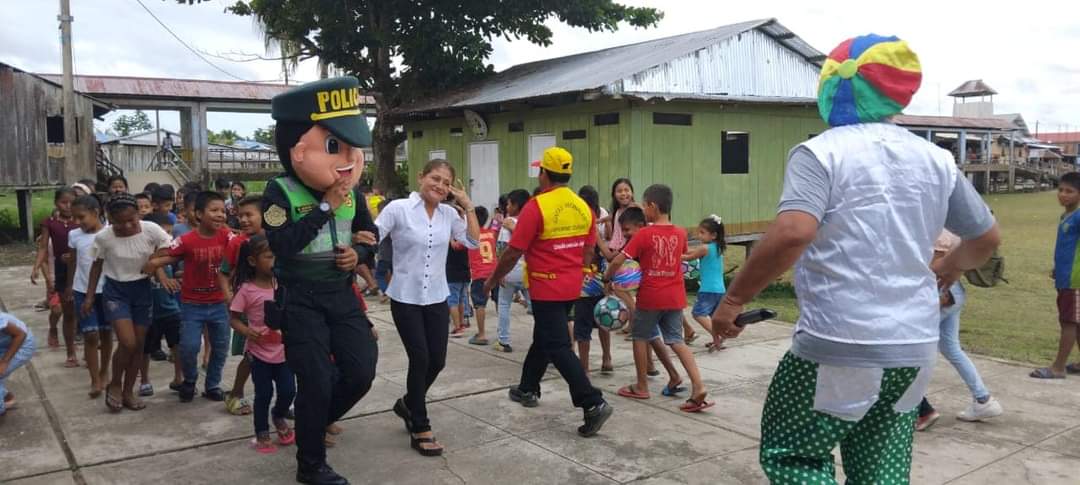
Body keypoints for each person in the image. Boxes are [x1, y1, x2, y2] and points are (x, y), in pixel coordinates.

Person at [709, 34, 1000, 483]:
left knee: (794, 456)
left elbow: (793, 232)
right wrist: (947, 269)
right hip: (911, 349)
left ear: (828, 90)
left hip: (837, 342)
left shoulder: (820, 153)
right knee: (880, 467)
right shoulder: (936, 160)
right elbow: (985, 237)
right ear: (897, 90)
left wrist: (731, 303)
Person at [263, 76, 380, 484]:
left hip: (341, 293)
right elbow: (282, 245)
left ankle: (311, 421)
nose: (347, 159)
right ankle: (310, 466)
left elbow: (370, 236)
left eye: (352, 149)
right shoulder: (279, 192)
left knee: (361, 372)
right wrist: (325, 208)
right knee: (312, 380)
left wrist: (359, 255)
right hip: (300, 299)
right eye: (334, 147)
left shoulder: (355, 195)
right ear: (298, 150)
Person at [483, 147, 613, 437]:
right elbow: (589, 250)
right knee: (543, 337)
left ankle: (592, 402)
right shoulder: (583, 207)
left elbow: (513, 252)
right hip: (571, 285)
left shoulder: (536, 207)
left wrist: (493, 279)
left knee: (556, 345)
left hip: (545, 286)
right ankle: (528, 388)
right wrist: (575, 269)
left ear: (544, 173)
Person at [377, 159, 480, 457]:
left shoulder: (449, 214)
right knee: (420, 358)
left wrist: (467, 204)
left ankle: (408, 403)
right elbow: (373, 234)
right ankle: (419, 424)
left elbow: (473, 241)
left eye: (446, 182)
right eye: (435, 178)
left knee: (437, 361)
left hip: (436, 297)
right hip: (405, 297)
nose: (440, 186)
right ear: (421, 177)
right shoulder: (398, 208)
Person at [608, 185, 708, 411]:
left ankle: (641, 385)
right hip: (674, 296)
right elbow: (679, 256)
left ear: (652, 206)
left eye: (644, 205)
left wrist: (607, 277)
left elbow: (617, 261)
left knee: (639, 337)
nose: (643, 209)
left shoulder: (644, 234)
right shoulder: (680, 232)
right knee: (676, 340)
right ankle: (698, 385)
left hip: (651, 296)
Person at [83, 193, 173, 412]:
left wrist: (156, 265)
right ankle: (114, 383)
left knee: (139, 346)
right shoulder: (104, 237)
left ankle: (128, 391)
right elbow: (96, 265)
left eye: (131, 219)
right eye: (119, 222)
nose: (126, 225)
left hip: (142, 290)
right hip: (116, 292)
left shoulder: (151, 229)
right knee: (128, 342)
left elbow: (169, 251)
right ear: (109, 219)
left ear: (138, 215)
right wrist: (89, 296)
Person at [143, 191, 235, 403]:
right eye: (214, 210)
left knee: (220, 347)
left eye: (223, 211)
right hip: (192, 305)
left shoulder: (227, 237)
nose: (220, 215)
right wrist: (154, 264)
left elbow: (243, 247)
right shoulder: (186, 240)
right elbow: (165, 253)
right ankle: (190, 381)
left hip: (219, 304)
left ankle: (212, 385)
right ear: (199, 214)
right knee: (189, 346)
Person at [917, 230, 1004, 430]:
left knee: (910, 349)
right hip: (954, 292)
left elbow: (935, 270)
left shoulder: (939, 230)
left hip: (941, 292)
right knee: (951, 348)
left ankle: (921, 409)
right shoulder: (953, 228)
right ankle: (983, 400)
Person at [229, 235, 297, 454]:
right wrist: (248, 331)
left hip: (284, 352)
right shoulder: (247, 290)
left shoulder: (284, 284)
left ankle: (278, 415)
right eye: (269, 256)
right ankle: (262, 432)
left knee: (288, 391)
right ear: (252, 261)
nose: (274, 261)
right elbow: (233, 318)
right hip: (259, 354)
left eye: (277, 255)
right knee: (263, 394)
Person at [220, 195, 265, 416]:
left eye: (250, 215)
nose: (244, 220)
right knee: (251, 354)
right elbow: (224, 273)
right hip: (249, 307)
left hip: (273, 305)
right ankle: (236, 392)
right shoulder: (237, 243)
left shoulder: (276, 239)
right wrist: (229, 297)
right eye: (240, 216)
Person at [1033, 171, 1080, 379]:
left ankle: (1058, 367)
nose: (1063, 194)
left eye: (1069, 191)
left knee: (1068, 322)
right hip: (1064, 275)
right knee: (1076, 321)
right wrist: (1057, 267)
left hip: (1074, 279)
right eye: (1060, 190)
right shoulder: (1066, 215)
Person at [65, 195, 112, 398]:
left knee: (106, 333)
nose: (77, 222)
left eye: (81, 217)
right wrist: (69, 286)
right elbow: (73, 262)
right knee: (90, 335)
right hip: (82, 290)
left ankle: (104, 372)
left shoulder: (111, 232)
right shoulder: (75, 235)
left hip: (108, 291)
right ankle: (94, 379)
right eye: (74, 218)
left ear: (95, 213)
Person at [32, 187, 79, 367]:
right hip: (61, 270)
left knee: (80, 311)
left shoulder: (83, 220)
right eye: (63, 202)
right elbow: (43, 247)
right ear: (56, 203)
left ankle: (86, 346)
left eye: (72, 202)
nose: (68, 206)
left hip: (81, 268)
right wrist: (36, 266)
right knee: (66, 312)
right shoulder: (50, 223)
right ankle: (71, 352)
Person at [142, 213, 183, 395]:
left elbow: (176, 273)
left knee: (177, 344)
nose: (168, 241)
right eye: (164, 235)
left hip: (170, 308)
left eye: (170, 235)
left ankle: (179, 377)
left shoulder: (171, 256)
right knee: (144, 349)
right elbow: (150, 264)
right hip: (147, 310)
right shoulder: (143, 255)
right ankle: (144, 380)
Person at [575, 185, 613, 374]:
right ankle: (607, 359)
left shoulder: (578, 226)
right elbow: (607, 253)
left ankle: (584, 368)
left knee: (582, 326)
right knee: (603, 320)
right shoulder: (595, 227)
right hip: (599, 280)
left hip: (582, 281)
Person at [494, 189, 530, 353]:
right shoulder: (530, 219)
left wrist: (499, 272)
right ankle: (543, 340)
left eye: (509, 203)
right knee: (536, 308)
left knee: (504, 304)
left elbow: (502, 248)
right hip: (528, 271)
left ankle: (503, 341)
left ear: (515, 205)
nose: (507, 206)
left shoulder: (508, 222)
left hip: (510, 270)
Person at [683, 215, 727, 350]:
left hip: (708, 289)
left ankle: (717, 336)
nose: (699, 235)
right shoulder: (717, 247)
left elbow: (690, 257)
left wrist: (672, 255)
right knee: (714, 317)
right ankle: (718, 338)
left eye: (702, 232)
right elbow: (692, 252)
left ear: (713, 235)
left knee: (698, 314)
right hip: (720, 289)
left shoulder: (705, 248)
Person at [467, 206, 497, 346]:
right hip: (493, 271)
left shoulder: (472, 236)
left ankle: (481, 334)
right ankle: (502, 332)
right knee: (500, 302)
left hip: (480, 274)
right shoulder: (490, 234)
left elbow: (457, 246)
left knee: (480, 304)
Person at [0, 313, 35, 416]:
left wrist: (4, 361)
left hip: (21, 344)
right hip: (4, 343)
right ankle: (6, 397)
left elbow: (20, 335)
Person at [446, 217, 473, 338]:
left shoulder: (451, 239)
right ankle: (461, 323)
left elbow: (454, 246)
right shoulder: (467, 237)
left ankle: (457, 327)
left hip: (453, 273)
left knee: (453, 301)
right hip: (465, 273)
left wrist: (449, 237)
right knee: (461, 299)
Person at [605, 178, 636, 251]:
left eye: (626, 190)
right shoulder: (617, 212)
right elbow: (616, 236)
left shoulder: (636, 211)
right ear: (614, 195)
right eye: (619, 191)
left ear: (632, 193)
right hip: (617, 252)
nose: (623, 193)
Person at [374, 199, 394, 304]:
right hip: (396, 255)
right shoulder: (397, 220)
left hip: (384, 254)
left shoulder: (381, 223)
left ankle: (386, 292)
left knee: (379, 275)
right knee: (395, 274)